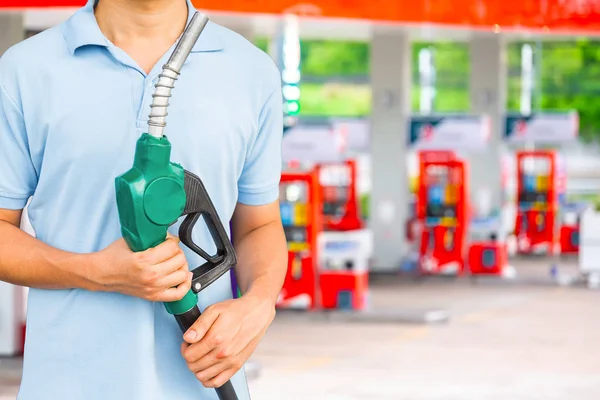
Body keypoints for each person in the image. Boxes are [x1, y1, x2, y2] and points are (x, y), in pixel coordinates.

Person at [0, 0, 287, 398]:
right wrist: (96, 271)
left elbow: (260, 224)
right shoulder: (25, 70)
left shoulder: (251, 72)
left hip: (204, 387)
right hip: (68, 384)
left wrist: (258, 304)